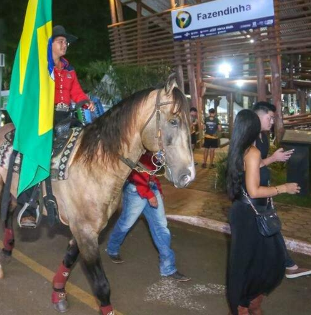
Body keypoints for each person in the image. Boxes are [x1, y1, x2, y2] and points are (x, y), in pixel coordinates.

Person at [18, 25, 96, 228]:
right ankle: (29, 206)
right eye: (60, 41)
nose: (65, 44)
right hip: (44, 117)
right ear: (50, 44)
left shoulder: (70, 70)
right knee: (34, 154)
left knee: (88, 141)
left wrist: (85, 101)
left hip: (65, 116)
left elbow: (76, 92)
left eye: (65, 42)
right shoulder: (41, 68)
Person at [226, 109, 300, 315]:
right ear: (252, 127)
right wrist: (283, 188)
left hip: (242, 211)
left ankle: (246, 303)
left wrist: (272, 159)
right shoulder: (252, 152)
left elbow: (255, 167)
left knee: (246, 261)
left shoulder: (239, 148)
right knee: (265, 261)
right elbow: (254, 190)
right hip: (251, 215)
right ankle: (243, 305)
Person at [252, 101, 311, 280]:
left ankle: (285, 265)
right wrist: (274, 159)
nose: (272, 121)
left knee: (268, 228)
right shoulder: (250, 137)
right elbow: (253, 164)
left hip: (263, 188)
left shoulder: (263, 136)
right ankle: (288, 266)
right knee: (269, 228)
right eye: (270, 118)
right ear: (258, 116)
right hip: (254, 192)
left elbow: (260, 162)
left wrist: (274, 159)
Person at [106, 151, 190, 282]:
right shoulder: (138, 146)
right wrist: (149, 194)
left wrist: (158, 190)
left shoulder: (154, 148)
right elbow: (134, 172)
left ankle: (168, 268)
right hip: (136, 190)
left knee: (161, 228)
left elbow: (153, 171)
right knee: (126, 224)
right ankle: (112, 248)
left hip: (151, 187)